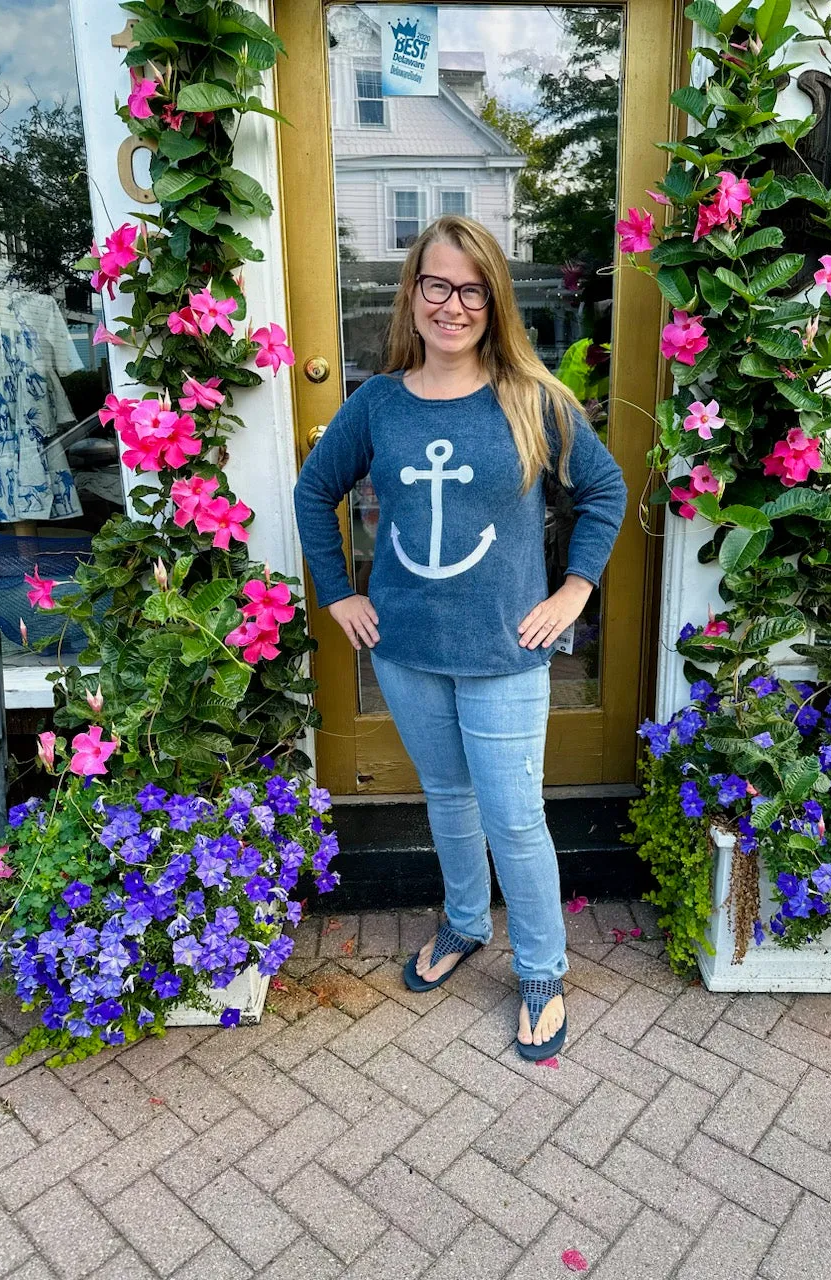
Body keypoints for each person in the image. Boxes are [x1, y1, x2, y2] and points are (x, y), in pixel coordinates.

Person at [294, 215, 626, 1060]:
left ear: (493, 300)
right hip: (407, 648)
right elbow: (313, 494)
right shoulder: (376, 404)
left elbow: (605, 489)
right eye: (436, 285)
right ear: (413, 293)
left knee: (516, 819)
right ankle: (467, 923)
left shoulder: (531, 400)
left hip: (505, 653)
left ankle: (543, 971)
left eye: (471, 289)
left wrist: (575, 591)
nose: (452, 304)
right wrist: (339, 596)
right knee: (446, 800)